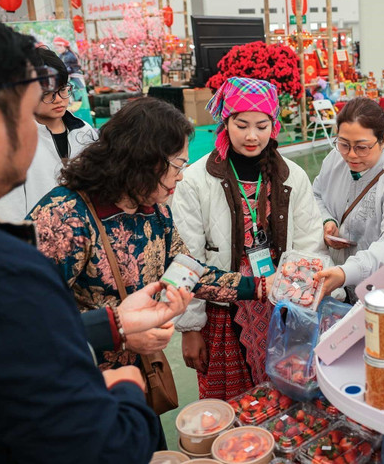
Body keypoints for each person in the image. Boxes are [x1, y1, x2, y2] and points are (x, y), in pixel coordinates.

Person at [0, 10, 192, 463]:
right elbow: (100, 445)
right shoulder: (6, 268)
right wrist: (124, 386)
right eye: (30, 113)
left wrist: (115, 325)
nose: (46, 129)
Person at [28, 97, 267, 373]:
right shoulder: (64, 219)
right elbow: (28, 319)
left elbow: (188, 272)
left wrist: (260, 287)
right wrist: (118, 332)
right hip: (77, 381)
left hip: (133, 378)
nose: (181, 176)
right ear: (145, 161)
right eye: (178, 165)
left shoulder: (155, 212)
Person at [171, 77, 325, 400]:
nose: (252, 136)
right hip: (222, 308)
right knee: (231, 405)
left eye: (261, 125)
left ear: (275, 125)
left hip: (280, 306)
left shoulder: (292, 176)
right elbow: (187, 257)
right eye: (241, 125)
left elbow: (310, 243)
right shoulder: (195, 181)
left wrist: (301, 309)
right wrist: (190, 327)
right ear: (225, 123)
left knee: (284, 394)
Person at [312, 97, 384, 298]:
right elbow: (316, 194)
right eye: (343, 144)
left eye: (361, 147)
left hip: (375, 290)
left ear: (383, 140)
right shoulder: (334, 159)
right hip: (334, 275)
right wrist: (327, 220)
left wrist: (346, 272)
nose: (351, 155)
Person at [0, 46, 97, 222]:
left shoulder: (84, 131)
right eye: (48, 94)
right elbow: (8, 209)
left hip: (84, 235)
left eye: (63, 90)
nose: (59, 99)